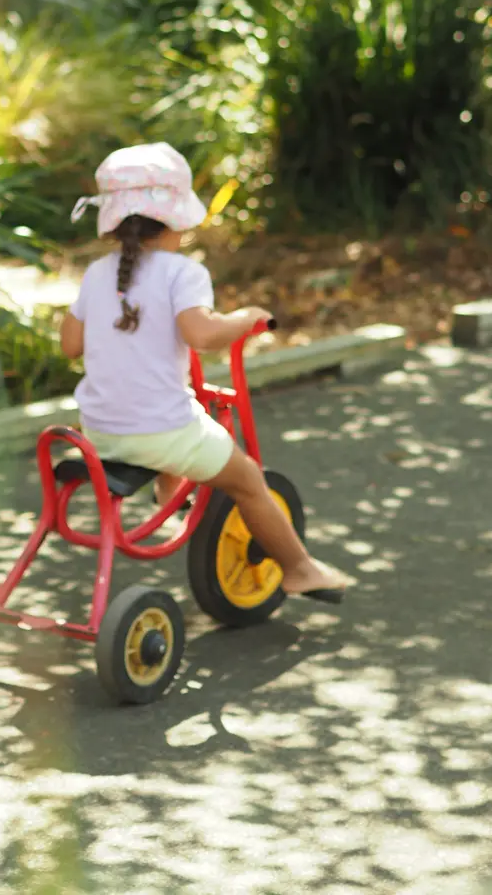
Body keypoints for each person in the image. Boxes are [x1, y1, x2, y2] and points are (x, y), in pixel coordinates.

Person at [61, 142, 348, 603]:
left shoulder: (97, 273)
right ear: (176, 219)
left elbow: (70, 346)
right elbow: (201, 334)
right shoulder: (182, 272)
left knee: (167, 412)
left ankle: (169, 489)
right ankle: (298, 568)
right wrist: (247, 319)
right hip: (161, 431)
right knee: (248, 479)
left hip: (98, 431)